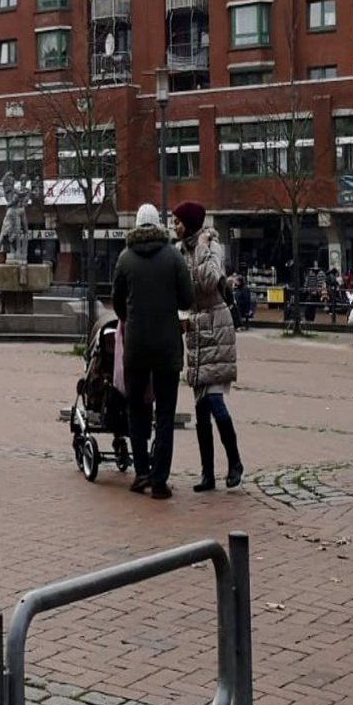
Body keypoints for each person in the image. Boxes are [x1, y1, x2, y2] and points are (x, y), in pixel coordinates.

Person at [111, 203, 193, 499]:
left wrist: (131, 317)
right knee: (165, 413)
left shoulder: (125, 258)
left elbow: (117, 303)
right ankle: (160, 481)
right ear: (158, 224)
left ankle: (141, 472)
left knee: (137, 410)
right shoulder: (173, 256)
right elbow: (187, 299)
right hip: (168, 346)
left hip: (136, 346)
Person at [172, 202, 244, 492]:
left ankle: (235, 462)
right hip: (196, 330)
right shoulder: (179, 251)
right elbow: (184, 291)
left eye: (178, 222)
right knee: (201, 407)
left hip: (216, 326)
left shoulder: (212, 245)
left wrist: (201, 247)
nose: (174, 226)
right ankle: (207, 473)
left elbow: (212, 280)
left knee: (215, 401)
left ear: (190, 223)